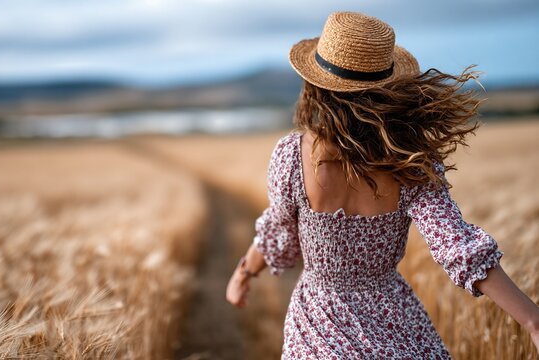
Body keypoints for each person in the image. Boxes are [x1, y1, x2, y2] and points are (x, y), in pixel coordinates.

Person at [225, 11, 539, 359]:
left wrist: (244, 273)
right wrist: (532, 321)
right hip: (397, 324)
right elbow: (459, 247)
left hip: (319, 328)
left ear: (315, 87)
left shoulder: (292, 158)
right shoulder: (412, 162)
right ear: (388, 88)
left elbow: (279, 230)